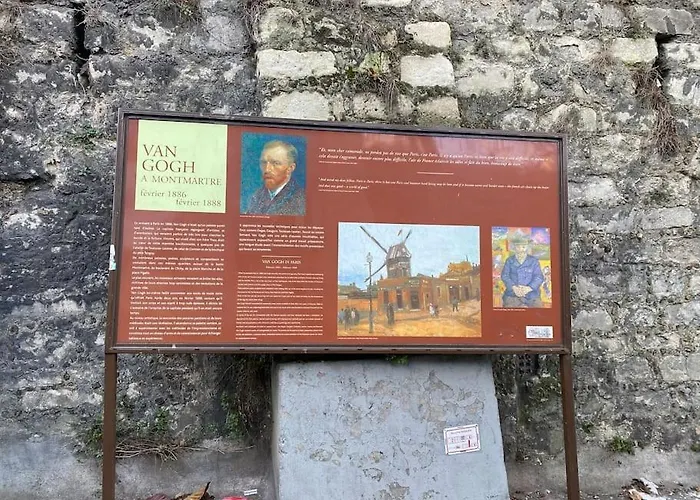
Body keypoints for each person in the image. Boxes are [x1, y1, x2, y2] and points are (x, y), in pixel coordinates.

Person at [246, 140, 306, 216]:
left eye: (275, 163)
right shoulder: (255, 197)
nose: (267, 169)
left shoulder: (302, 200)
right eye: (264, 162)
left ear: (290, 168)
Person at [500, 235, 544, 308]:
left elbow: (539, 277)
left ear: (527, 247)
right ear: (514, 248)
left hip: (531, 295)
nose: (521, 250)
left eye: (523, 247)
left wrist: (528, 288)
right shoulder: (509, 260)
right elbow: (505, 276)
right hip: (512, 294)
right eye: (518, 247)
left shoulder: (533, 261)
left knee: (538, 310)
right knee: (508, 310)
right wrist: (514, 288)